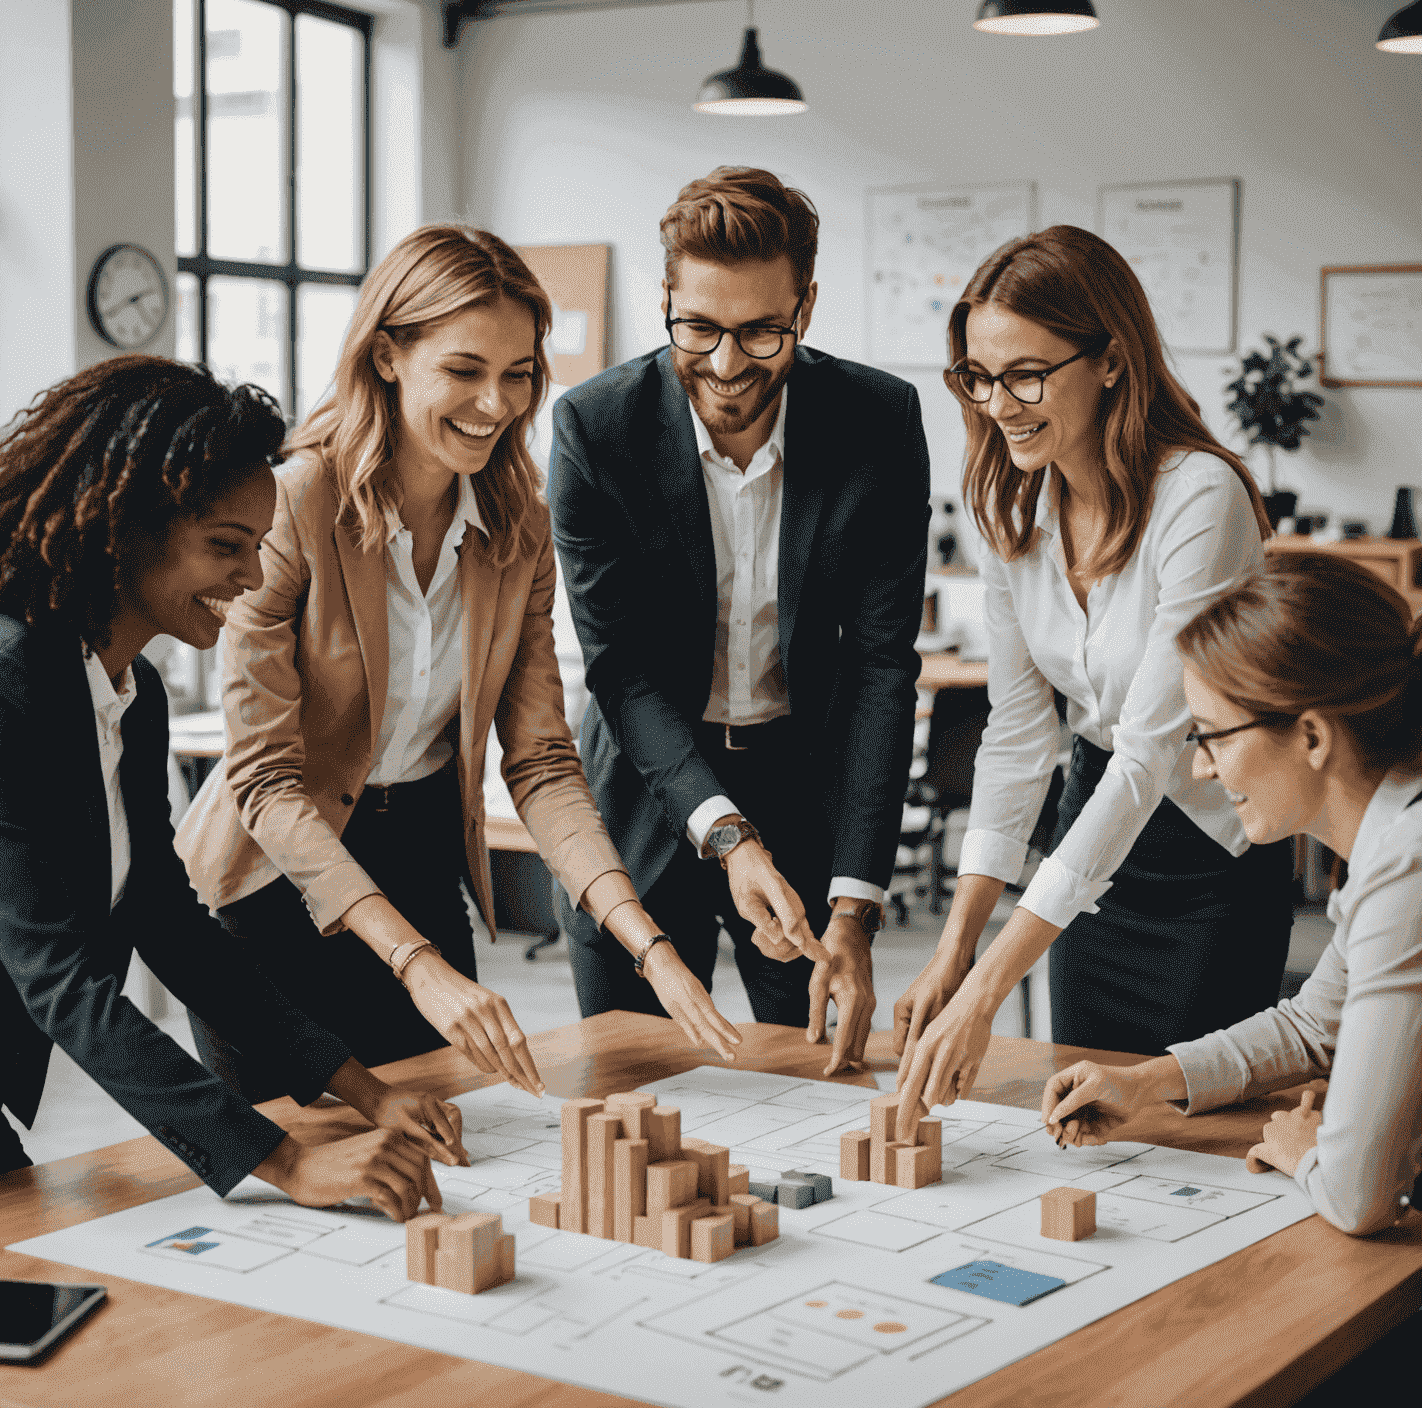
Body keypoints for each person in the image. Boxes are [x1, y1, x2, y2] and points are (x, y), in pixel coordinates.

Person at [177, 225, 740, 1104]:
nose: (497, 402)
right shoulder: (295, 504)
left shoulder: (520, 526)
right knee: (305, 1162)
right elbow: (265, 781)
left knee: (441, 1139)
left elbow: (544, 763)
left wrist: (650, 947)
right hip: (276, 878)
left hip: (418, 857)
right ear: (390, 355)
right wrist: (415, 965)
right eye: (465, 370)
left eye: (519, 374)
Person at [0, 357, 459, 1213]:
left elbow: (169, 919)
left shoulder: (126, 687)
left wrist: (366, 1090)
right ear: (123, 529)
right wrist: (289, 1164)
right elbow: (63, 982)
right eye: (226, 547)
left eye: (258, 546)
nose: (254, 577)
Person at [894, 224, 1296, 1128]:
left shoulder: (1200, 499)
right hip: (1089, 850)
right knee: (1084, 1122)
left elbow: (1152, 754)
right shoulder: (1012, 505)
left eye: (1028, 374)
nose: (1001, 404)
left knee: (1191, 1132)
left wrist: (991, 984)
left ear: (1111, 360)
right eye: (980, 377)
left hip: (1207, 857)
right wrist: (956, 947)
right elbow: (1019, 735)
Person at [548, 166, 931, 1075]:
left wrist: (855, 905)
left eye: (763, 332)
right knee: (632, 1096)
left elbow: (884, 666)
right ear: (667, 298)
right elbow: (622, 669)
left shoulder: (879, 419)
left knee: (811, 1078)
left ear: (806, 305)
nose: (726, 365)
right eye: (700, 329)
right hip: (644, 792)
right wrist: (725, 833)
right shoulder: (594, 428)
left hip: (802, 789)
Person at [1042, 551, 1422, 1238]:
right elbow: (1316, 1025)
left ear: (1311, 735)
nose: (1201, 765)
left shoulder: (1409, 863)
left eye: (1214, 736)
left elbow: (1358, 1194)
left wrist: (1304, 1150)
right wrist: (1149, 1081)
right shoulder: (1396, 835)